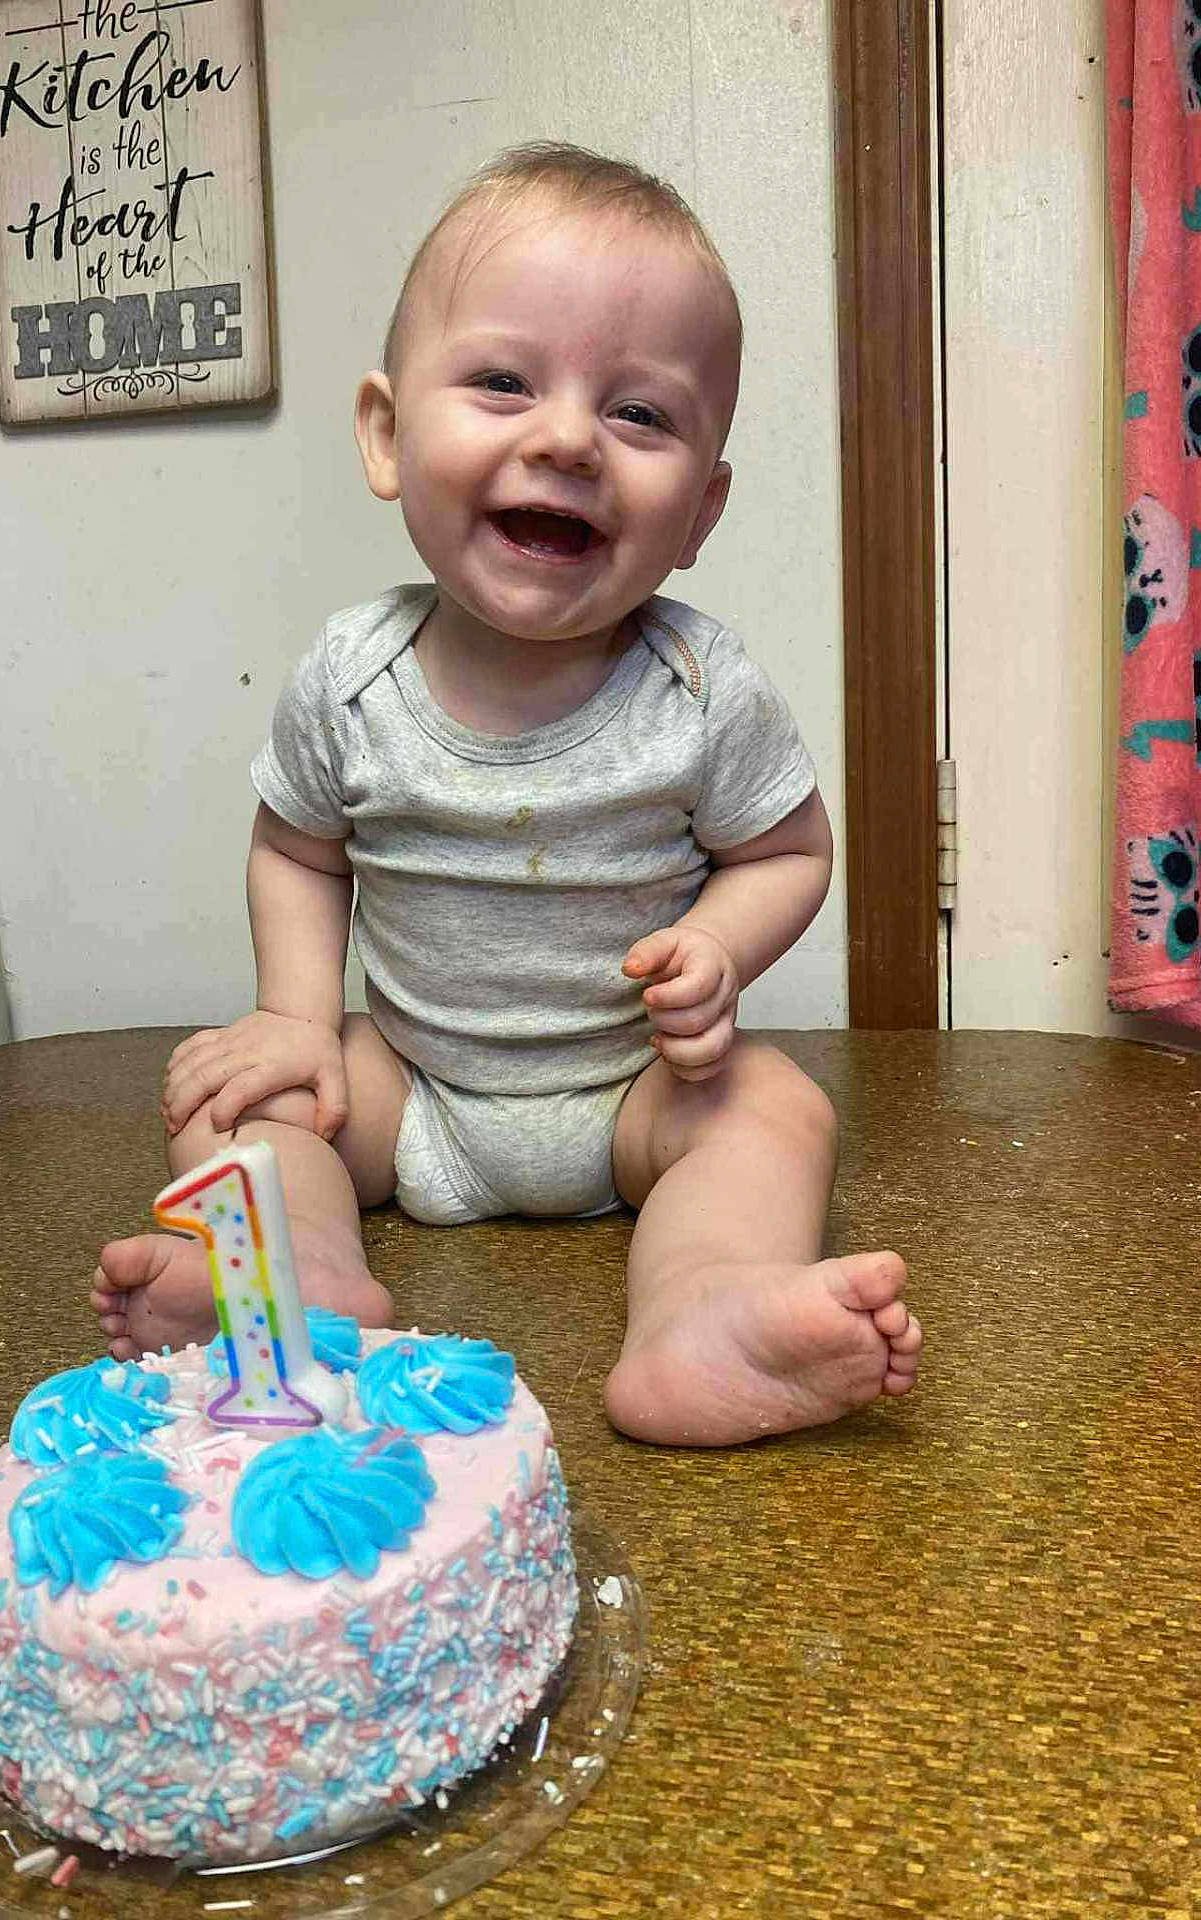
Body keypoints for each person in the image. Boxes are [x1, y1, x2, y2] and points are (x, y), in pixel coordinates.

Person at [92, 142, 921, 1446]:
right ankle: (291, 1287)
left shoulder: (703, 689)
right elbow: (298, 848)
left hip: (638, 1096)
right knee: (237, 1100)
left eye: (640, 413)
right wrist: (298, 1020)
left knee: (777, 1108)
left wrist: (719, 942)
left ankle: (708, 1312)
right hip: (410, 1083)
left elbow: (791, 853)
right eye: (501, 382)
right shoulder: (350, 678)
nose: (567, 438)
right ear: (386, 434)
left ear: (700, 508)